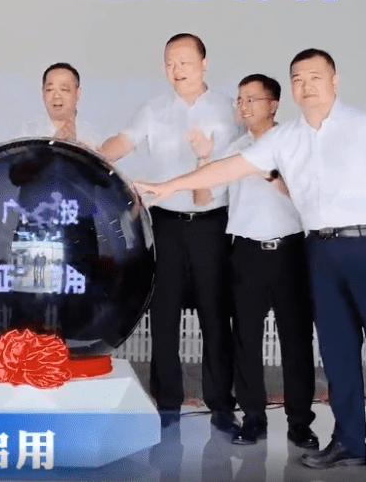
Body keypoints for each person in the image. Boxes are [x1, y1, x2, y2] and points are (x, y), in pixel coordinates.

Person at [134, 49, 366, 482]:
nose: (307, 86)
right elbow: (228, 168)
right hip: (321, 251)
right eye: (298, 79)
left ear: (334, 80)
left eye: (315, 77)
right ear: (290, 89)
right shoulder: (286, 138)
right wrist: (168, 186)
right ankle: (349, 442)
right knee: (337, 351)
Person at [98, 33, 244, 433]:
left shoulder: (228, 109)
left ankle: (221, 405)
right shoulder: (154, 108)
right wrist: (92, 154)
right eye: (169, 63)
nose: (176, 70)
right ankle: (167, 405)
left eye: (184, 62)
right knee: (163, 315)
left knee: (215, 315)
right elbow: (123, 141)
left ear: (204, 64)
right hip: (164, 223)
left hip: (212, 224)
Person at [221, 74, 318, 449]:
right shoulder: (236, 150)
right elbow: (213, 195)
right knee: (246, 340)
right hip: (245, 253)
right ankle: (253, 419)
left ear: (273, 105)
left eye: (251, 99)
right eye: (240, 100)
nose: (243, 106)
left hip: (289, 252)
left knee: (296, 340)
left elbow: (310, 197)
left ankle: (300, 424)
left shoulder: (295, 144)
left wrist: (274, 176)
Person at [15, 62, 104, 148]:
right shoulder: (28, 132)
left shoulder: (93, 133)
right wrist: (54, 144)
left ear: (78, 93)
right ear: (43, 92)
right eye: (50, 89)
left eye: (64, 89)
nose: (56, 96)